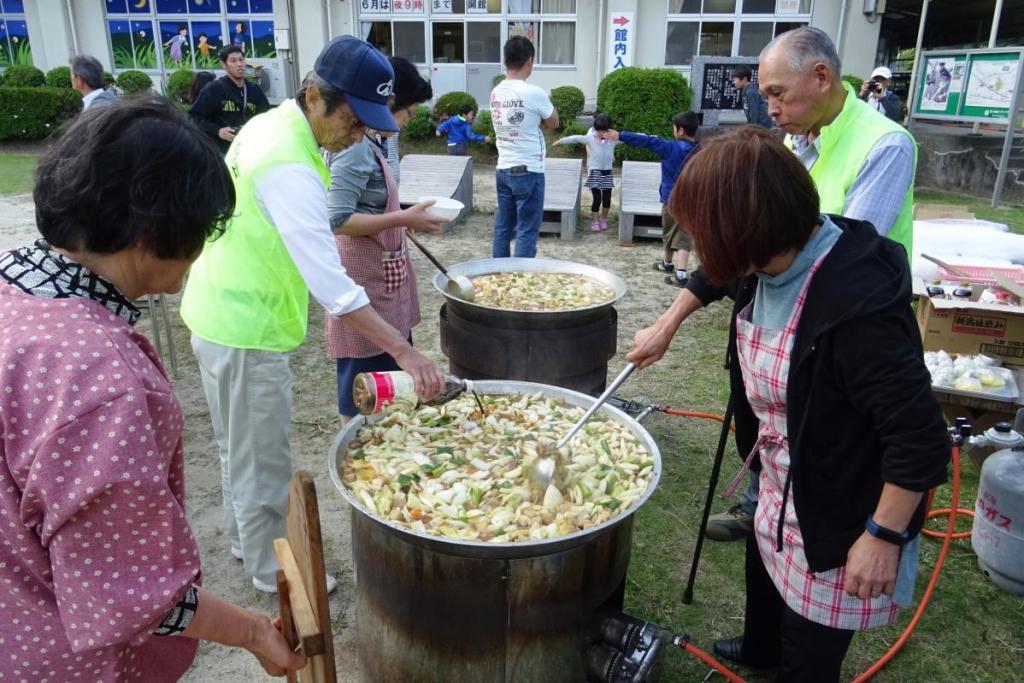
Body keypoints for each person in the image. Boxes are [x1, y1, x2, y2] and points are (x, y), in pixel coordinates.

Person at [626, 127, 948, 682]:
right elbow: (712, 275)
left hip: (841, 503)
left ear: (748, 233)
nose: (701, 250)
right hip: (780, 477)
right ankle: (760, 650)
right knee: (766, 571)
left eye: (709, 236)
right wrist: (666, 324)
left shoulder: (857, 300)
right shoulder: (766, 258)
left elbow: (918, 440)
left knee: (809, 654)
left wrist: (882, 537)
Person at [0, 97, 304, 682]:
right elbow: (129, 592)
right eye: (200, 230)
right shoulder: (96, 378)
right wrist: (253, 632)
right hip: (59, 660)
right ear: (153, 233)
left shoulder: (18, 286)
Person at [180, 35, 446, 595]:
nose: (358, 132)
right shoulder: (288, 165)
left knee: (237, 446)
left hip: (218, 309)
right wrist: (403, 348)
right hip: (245, 323)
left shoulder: (270, 125)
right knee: (265, 460)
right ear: (314, 96)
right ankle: (273, 570)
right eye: (353, 118)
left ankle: (244, 538)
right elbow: (335, 288)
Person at [703, 27, 918, 542]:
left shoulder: (885, 144)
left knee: (815, 432)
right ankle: (761, 505)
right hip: (774, 304)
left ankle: (812, 526)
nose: (771, 108)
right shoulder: (797, 140)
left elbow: (839, 255)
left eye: (777, 93)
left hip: (838, 322)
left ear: (821, 77)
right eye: (765, 96)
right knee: (763, 416)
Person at [326, 57, 449, 422]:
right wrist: (401, 217)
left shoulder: (378, 141)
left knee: (393, 376)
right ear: (390, 102)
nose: (409, 120)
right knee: (362, 376)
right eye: (409, 111)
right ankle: (358, 442)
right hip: (363, 277)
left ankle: (385, 430)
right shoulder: (355, 147)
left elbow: (373, 203)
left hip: (386, 274)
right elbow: (338, 219)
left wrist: (404, 216)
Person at [605, 111, 699, 287]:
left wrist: (621, 135)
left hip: (672, 200)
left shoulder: (670, 148)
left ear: (680, 131)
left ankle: (680, 274)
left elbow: (647, 141)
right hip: (692, 200)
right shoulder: (701, 150)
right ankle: (668, 264)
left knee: (678, 236)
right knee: (675, 232)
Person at [490, 35, 559, 258]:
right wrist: (536, 120)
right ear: (529, 61)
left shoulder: (496, 92)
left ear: (505, 60)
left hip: (503, 169)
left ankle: (498, 273)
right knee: (527, 230)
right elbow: (554, 122)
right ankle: (521, 278)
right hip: (529, 169)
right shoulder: (534, 92)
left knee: (503, 228)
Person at [189, 45, 270, 154]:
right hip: (223, 151)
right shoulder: (214, 89)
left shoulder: (254, 89)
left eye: (241, 60)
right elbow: (193, 118)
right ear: (224, 65)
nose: (239, 64)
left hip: (250, 150)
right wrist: (218, 131)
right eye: (233, 61)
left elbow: (267, 117)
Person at [552, 112, 620, 232]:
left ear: (609, 129)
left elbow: (631, 138)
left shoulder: (613, 139)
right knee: (597, 198)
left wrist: (648, 139)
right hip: (594, 171)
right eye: (599, 131)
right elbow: (575, 138)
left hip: (607, 172)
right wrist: (560, 141)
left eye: (604, 131)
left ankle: (603, 218)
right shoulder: (590, 138)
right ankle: (594, 220)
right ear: (595, 129)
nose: (602, 134)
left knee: (607, 198)